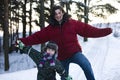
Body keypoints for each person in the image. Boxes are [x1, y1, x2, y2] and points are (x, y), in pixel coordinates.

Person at [17, 5, 112, 80]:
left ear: (62, 12)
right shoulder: (50, 29)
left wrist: (104, 31)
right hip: (61, 58)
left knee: (86, 64)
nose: (58, 15)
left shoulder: (72, 23)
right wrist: (22, 41)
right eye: (55, 14)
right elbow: (37, 37)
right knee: (64, 77)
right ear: (53, 16)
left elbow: (88, 30)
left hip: (75, 53)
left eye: (59, 13)